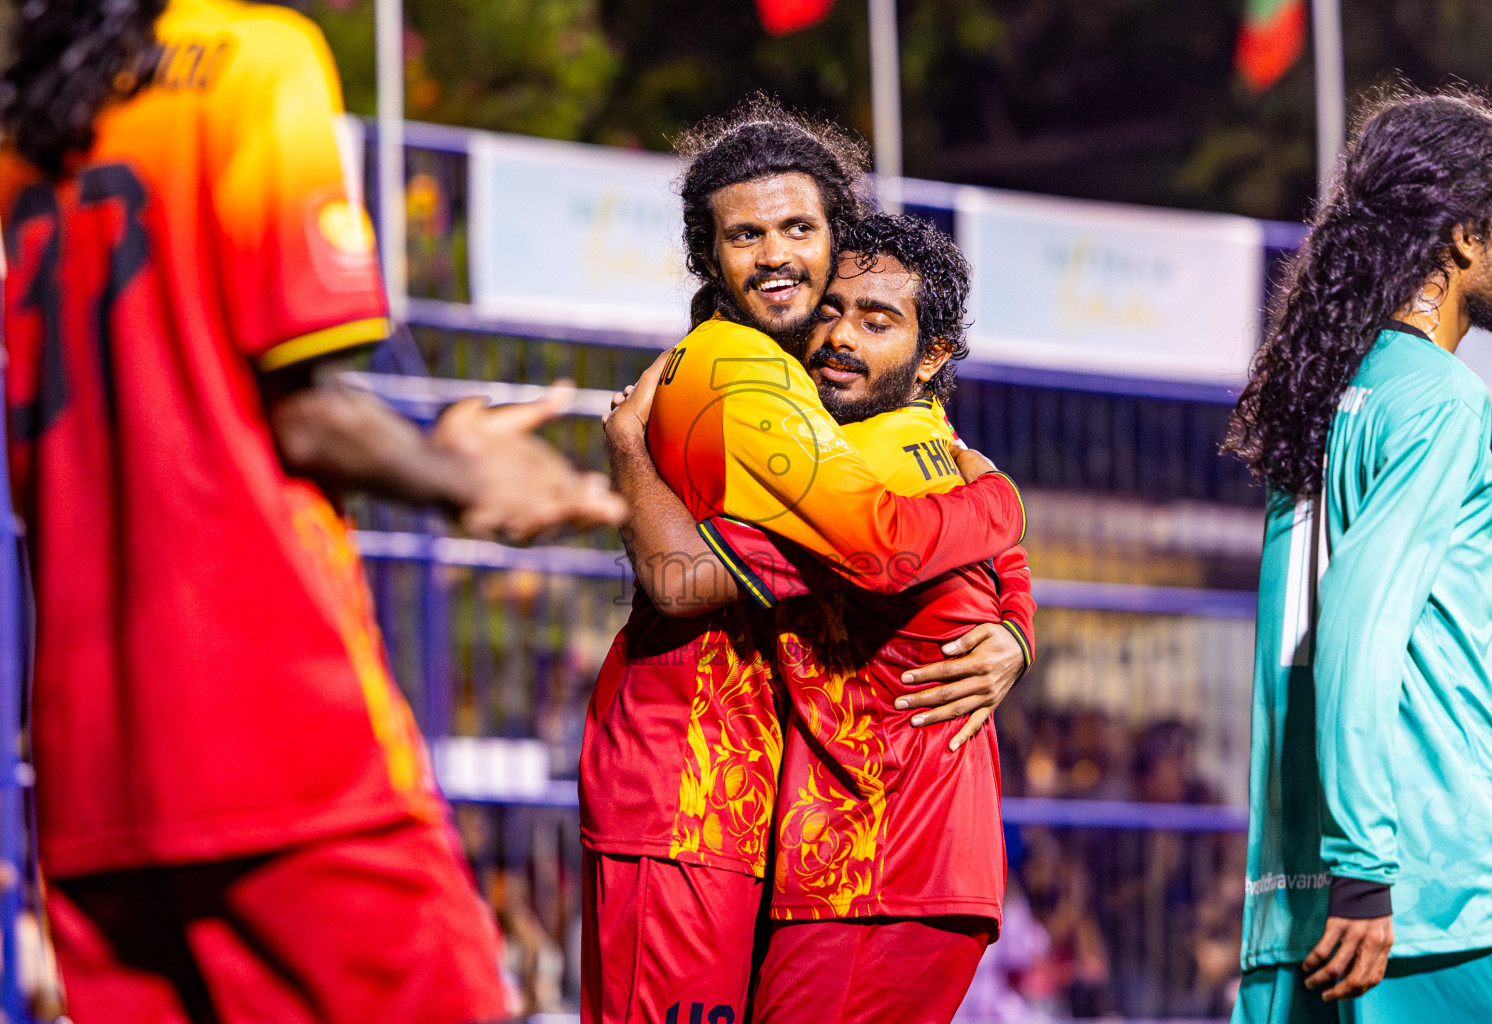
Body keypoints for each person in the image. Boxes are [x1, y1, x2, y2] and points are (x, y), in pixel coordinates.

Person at [0, 2, 623, 1022]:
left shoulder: (34, 127)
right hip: (279, 731)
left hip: (92, 777)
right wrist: (469, 478)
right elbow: (305, 414)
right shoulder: (253, 61)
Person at [580, 99, 1029, 1024]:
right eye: (746, 233)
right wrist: (1002, 505)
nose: (777, 254)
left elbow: (932, 552)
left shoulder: (858, 415)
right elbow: (867, 547)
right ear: (710, 256)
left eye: (798, 227)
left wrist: (1018, 633)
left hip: (818, 835)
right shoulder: (743, 378)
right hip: (690, 797)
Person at [1224, 87, 1492, 1022]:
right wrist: (1368, 868)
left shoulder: (1326, 399)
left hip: (1295, 901)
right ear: (1460, 236)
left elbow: (1419, 681)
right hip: (1427, 900)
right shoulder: (1439, 399)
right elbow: (1359, 633)